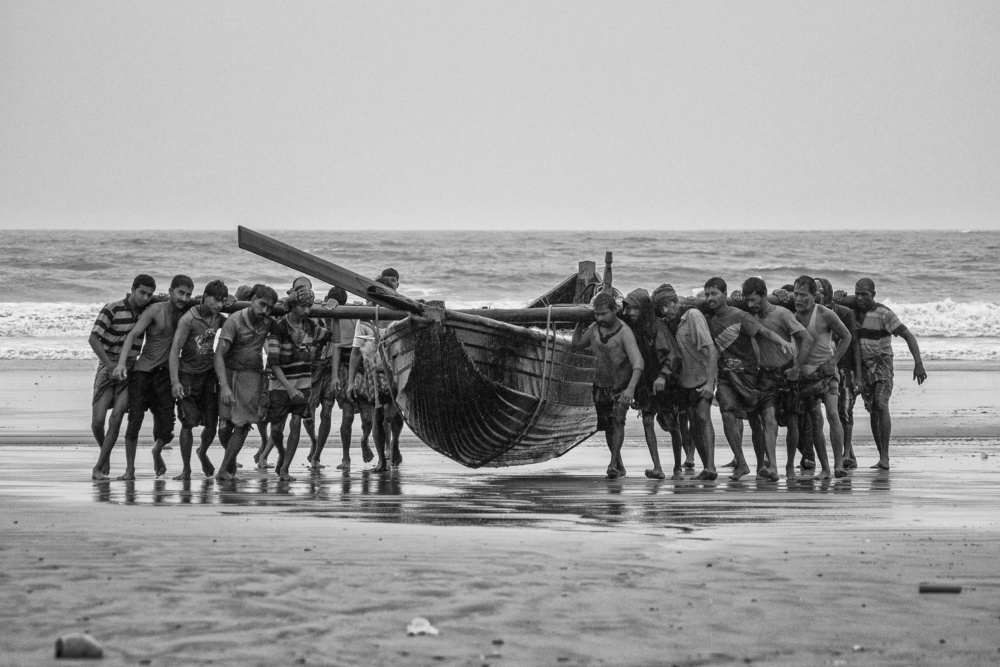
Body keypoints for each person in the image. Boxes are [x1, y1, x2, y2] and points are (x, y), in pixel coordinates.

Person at [702, 277, 795, 481]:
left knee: (755, 421)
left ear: (725, 295)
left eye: (714, 294)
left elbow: (764, 332)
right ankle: (742, 462)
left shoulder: (740, 315)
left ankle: (763, 464)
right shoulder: (706, 317)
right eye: (707, 294)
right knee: (727, 415)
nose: (710, 298)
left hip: (750, 374)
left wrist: (782, 342)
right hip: (726, 376)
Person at [113, 275, 194, 479]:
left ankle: (157, 450)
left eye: (188, 294)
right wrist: (121, 364)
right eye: (180, 293)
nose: (184, 298)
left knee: (166, 427)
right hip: (143, 373)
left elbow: (211, 304)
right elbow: (132, 335)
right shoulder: (155, 310)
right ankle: (130, 469)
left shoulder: (188, 311)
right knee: (135, 421)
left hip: (166, 375)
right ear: (170, 291)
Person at [741, 277, 814, 479]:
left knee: (792, 422)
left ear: (764, 295)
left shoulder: (782, 314)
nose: (750, 304)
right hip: (765, 374)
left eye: (754, 299)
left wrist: (797, 368)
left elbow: (807, 338)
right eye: (747, 300)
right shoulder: (750, 316)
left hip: (787, 371)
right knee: (769, 420)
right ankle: (772, 466)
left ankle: (789, 465)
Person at [852, 277, 927, 470]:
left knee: (880, 403)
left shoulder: (884, 313)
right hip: (864, 367)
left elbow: (908, 335)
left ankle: (885, 457)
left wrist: (918, 363)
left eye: (865, 294)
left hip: (883, 363)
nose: (860, 298)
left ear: (873, 295)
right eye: (857, 294)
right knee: (872, 410)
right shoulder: (852, 313)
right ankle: (881, 457)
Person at [571, 291, 644, 479]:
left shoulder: (624, 332)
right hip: (600, 384)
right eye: (596, 314)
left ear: (614, 310)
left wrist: (631, 388)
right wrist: (579, 321)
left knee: (618, 421)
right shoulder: (595, 329)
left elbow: (638, 364)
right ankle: (619, 464)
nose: (600, 317)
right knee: (608, 426)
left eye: (604, 313)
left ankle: (612, 464)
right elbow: (577, 345)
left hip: (620, 386)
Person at [90, 275, 156, 480]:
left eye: (149, 294)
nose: (145, 297)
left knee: (117, 418)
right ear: (133, 289)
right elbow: (93, 339)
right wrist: (110, 366)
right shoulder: (113, 308)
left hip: (130, 367)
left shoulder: (147, 312)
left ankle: (97, 467)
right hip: (108, 364)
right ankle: (106, 453)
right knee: (97, 422)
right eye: (142, 292)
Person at [265, 283, 332, 481]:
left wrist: (332, 309)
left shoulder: (310, 327)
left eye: (309, 306)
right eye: (303, 306)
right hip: (280, 384)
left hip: (303, 383)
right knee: (276, 428)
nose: (307, 310)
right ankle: (281, 452)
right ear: (293, 305)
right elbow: (274, 363)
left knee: (296, 423)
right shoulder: (279, 327)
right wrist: (288, 387)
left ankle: (285, 469)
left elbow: (331, 335)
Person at [652, 284, 719, 481]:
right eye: (661, 308)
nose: (666, 311)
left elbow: (712, 350)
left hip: (702, 376)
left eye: (669, 305)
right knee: (693, 422)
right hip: (684, 381)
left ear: (676, 302)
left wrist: (710, 383)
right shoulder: (667, 322)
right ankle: (707, 466)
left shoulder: (692, 316)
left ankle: (711, 466)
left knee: (703, 416)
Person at [304, 287, 374, 472]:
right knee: (346, 415)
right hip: (335, 366)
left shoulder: (353, 313)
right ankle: (343, 457)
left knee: (367, 417)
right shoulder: (319, 308)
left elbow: (360, 345)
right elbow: (337, 347)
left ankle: (365, 439)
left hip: (359, 364)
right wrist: (335, 375)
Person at [792, 276, 853, 479]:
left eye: (803, 295)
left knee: (833, 415)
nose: (799, 299)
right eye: (796, 294)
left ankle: (838, 465)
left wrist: (833, 362)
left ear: (814, 296)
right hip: (806, 377)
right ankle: (825, 469)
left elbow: (846, 337)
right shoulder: (792, 318)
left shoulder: (825, 314)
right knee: (816, 421)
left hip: (827, 373)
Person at [214, 286, 278, 480]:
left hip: (252, 376)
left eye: (270, 307)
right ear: (253, 300)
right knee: (224, 427)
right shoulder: (235, 320)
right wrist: (224, 385)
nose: (265, 311)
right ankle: (230, 461)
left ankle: (223, 470)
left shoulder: (268, 321)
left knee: (242, 425)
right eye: (262, 304)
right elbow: (218, 355)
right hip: (230, 373)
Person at [169, 279, 228, 480]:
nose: (219, 305)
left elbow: (238, 322)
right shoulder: (188, 319)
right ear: (205, 297)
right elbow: (175, 350)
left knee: (211, 424)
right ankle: (186, 469)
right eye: (216, 300)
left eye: (223, 301)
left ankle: (202, 452)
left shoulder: (218, 317)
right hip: (187, 376)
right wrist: (175, 381)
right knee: (188, 423)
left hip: (208, 375)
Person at [622, 288, 680, 480]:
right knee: (647, 421)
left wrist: (663, 375)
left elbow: (673, 354)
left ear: (644, 309)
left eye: (635, 309)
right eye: (628, 309)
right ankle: (657, 466)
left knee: (672, 424)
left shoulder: (658, 327)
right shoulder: (631, 328)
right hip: (645, 383)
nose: (631, 313)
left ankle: (678, 468)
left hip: (664, 382)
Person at [347, 276, 404, 472]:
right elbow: (356, 352)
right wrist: (350, 382)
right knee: (377, 415)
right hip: (373, 372)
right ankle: (381, 459)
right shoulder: (364, 319)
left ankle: (395, 443)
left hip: (397, 371)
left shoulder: (401, 316)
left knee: (397, 415)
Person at [815, 277, 863, 469]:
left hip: (844, 367)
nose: (817, 292)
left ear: (826, 291)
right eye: (814, 289)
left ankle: (846, 454)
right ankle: (843, 452)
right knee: (817, 413)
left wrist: (859, 375)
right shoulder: (808, 313)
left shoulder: (843, 312)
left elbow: (854, 343)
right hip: (820, 368)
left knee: (843, 410)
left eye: (820, 289)